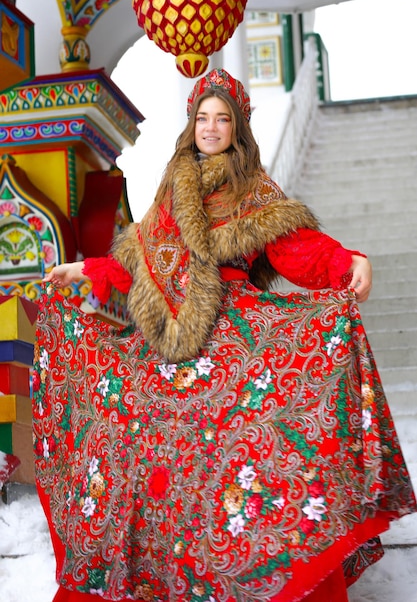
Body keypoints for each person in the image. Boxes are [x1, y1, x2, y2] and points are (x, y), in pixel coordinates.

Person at [33, 68, 416, 602]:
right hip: (165, 335)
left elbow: (297, 247)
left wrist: (347, 260)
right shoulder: (170, 192)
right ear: (191, 125)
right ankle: (152, 577)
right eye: (203, 118)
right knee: (126, 436)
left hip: (233, 328)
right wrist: (83, 272)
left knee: (251, 442)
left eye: (222, 119)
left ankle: (250, 569)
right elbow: (137, 266)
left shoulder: (253, 190)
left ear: (238, 128)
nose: (211, 128)